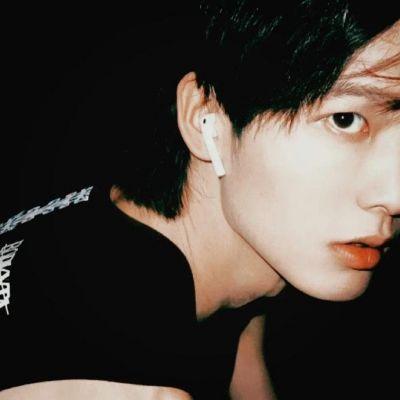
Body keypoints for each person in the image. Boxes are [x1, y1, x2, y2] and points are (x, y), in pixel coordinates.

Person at [1, 1, 399, 399]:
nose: (395, 197)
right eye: (345, 119)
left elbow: (241, 345)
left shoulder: (225, 260)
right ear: (205, 120)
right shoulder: (126, 380)